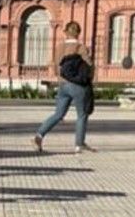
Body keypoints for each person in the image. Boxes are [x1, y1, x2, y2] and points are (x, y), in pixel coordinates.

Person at [35, 21, 96, 153]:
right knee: (82, 115)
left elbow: (57, 67)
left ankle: (39, 135)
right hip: (78, 86)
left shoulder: (59, 47)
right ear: (78, 33)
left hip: (62, 85)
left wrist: (62, 79)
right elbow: (89, 66)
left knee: (58, 114)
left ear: (66, 33)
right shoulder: (80, 47)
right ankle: (79, 145)